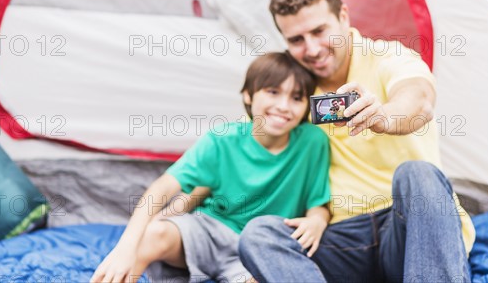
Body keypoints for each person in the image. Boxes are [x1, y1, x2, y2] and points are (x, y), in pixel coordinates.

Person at [239, 0, 476, 282]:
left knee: (417, 174)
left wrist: (384, 117)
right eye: (296, 40)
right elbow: (245, 159)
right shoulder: (289, 91)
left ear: (343, 16)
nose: (311, 49)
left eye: (319, 31)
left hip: (407, 228)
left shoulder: (388, 57)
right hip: (340, 239)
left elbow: (419, 100)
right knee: (259, 235)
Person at [91, 52, 332, 283]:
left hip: (256, 247)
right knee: (152, 236)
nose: (283, 106)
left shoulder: (312, 142)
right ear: (249, 95)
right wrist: (125, 248)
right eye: (273, 92)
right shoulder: (222, 139)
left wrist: (317, 221)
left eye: (297, 98)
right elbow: (162, 187)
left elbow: (318, 204)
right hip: (209, 231)